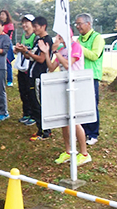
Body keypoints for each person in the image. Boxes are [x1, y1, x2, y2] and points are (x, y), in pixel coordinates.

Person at [38, 32, 91, 166]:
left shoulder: (76, 47)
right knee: (64, 120)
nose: (57, 38)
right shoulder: (62, 50)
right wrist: (48, 52)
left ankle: (84, 153)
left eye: (59, 36)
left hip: (76, 86)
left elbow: (68, 65)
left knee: (75, 120)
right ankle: (68, 151)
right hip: (64, 87)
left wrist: (56, 51)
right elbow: (51, 68)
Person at [75, 13, 105, 146]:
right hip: (79, 76)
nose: (77, 26)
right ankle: (84, 131)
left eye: (80, 23)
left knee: (92, 105)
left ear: (88, 24)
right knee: (81, 105)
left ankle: (93, 133)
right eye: (76, 24)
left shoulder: (97, 38)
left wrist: (79, 48)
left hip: (92, 76)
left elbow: (94, 55)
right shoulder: (79, 39)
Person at [24, 17, 53, 141]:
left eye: (36, 26)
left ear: (43, 26)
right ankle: (40, 128)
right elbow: (31, 55)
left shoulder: (47, 40)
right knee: (33, 102)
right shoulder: (38, 40)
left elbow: (41, 59)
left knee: (38, 103)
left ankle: (44, 131)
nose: (34, 29)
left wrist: (28, 52)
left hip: (39, 76)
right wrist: (24, 51)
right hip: (31, 74)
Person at [14, 15, 37, 126]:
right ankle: (26, 113)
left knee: (30, 92)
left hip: (30, 68)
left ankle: (33, 115)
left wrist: (25, 50)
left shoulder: (35, 37)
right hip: (22, 67)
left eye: (27, 23)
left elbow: (34, 51)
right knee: (22, 90)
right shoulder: (23, 35)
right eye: (23, 23)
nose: (24, 25)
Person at [0, 10, 15, 87]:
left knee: (8, 62)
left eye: (3, 14)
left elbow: (8, 34)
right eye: (0, 14)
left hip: (7, 43)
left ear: (7, 15)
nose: (1, 16)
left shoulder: (10, 24)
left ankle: (9, 80)